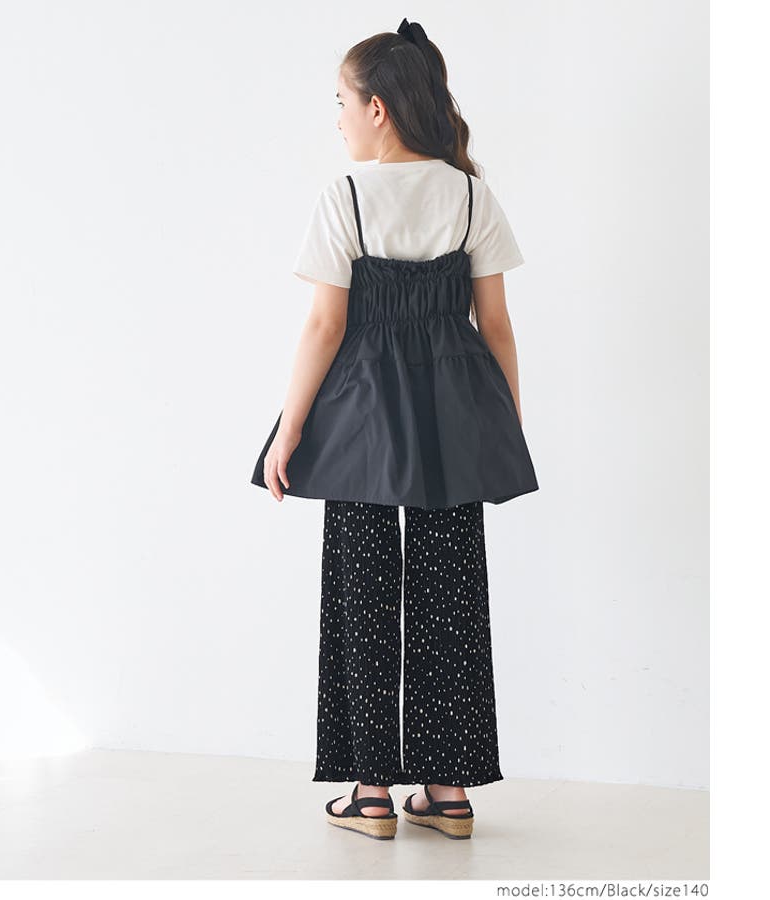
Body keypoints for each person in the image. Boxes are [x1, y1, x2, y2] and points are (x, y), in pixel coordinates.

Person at [249, 18, 539, 841]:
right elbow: (496, 326)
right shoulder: (472, 194)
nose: (337, 119)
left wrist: (287, 432)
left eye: (341, 103)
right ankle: (448, 792)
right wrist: (507, 423)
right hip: (455, 416)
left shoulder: (345, 196)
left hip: (361, 420)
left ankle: (371, 792)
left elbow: (324, 327)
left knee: (361, 591)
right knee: (451, 594)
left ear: (376, 108)